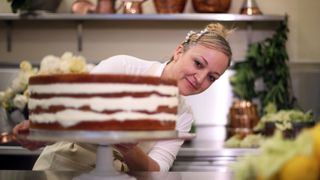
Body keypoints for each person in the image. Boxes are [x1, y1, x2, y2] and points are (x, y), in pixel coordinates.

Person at [13, 23, 233, 172]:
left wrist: (128, 148)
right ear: (178, 52)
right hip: (62, 167)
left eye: (211, 77)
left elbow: (157, 169)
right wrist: (39, 132)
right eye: (198, 64)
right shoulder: (124, 67)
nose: (201, 78)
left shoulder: (183, 115)